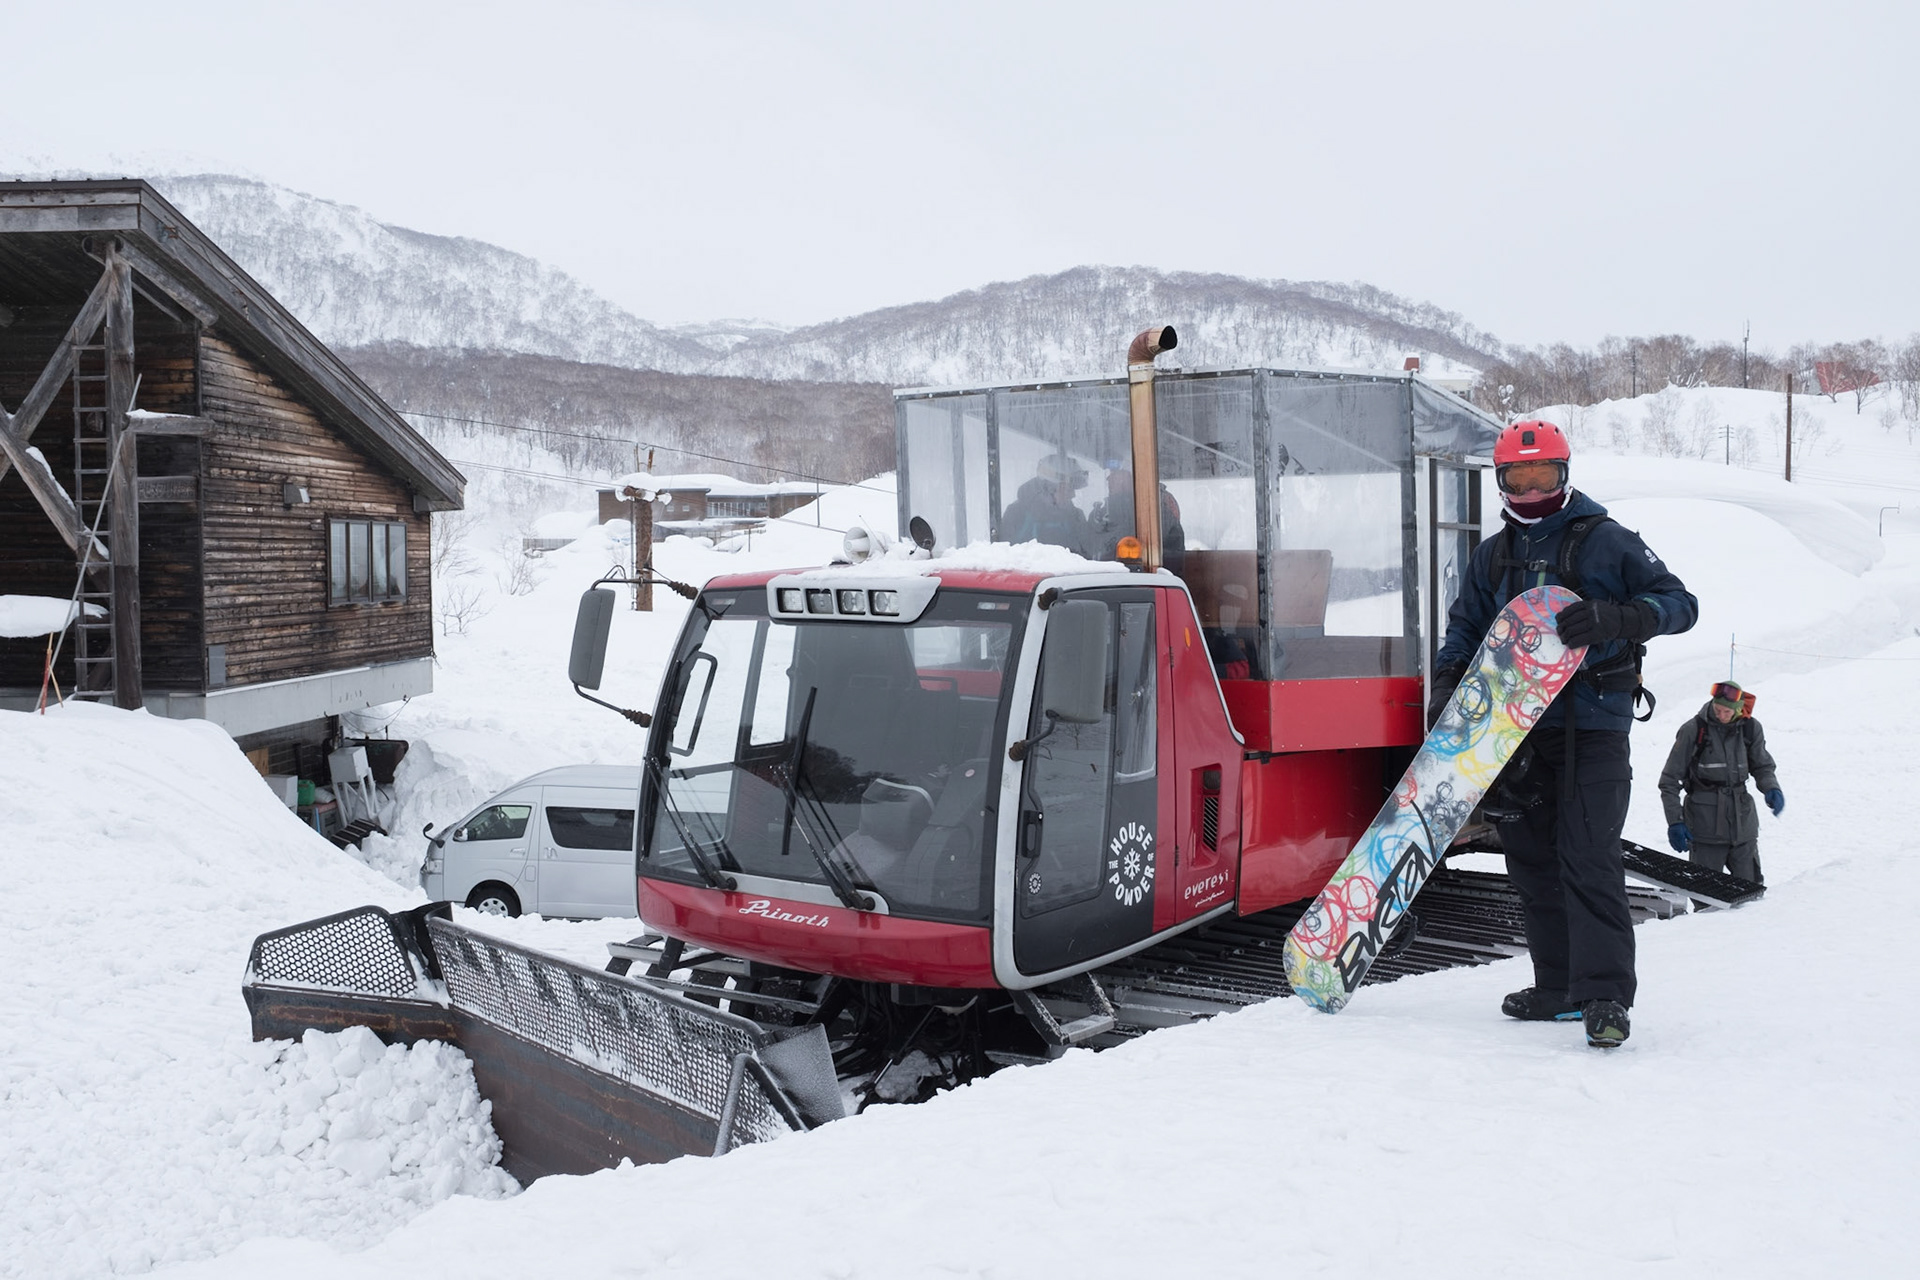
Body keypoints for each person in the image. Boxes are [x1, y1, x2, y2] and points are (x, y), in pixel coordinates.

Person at [1430, 420, 1698, 1049]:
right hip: (1511, 730)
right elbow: (1465, 628)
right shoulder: (1491, 554)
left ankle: (1603, 998)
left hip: (1593, 727)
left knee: (1589, 857)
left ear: (1565, 474)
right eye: (1516, 481)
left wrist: (1620, 616)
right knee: (1531, 862)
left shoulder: (1608, 541)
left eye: (1541, 478)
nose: (1529, 492)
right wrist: (1448, 686)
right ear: (1499, 482)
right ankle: (1556, 988)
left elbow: (1680, 604)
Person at [1657, 681, 1782, 885]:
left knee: (1751, 895)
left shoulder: (1750, 728)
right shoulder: (1693, 730)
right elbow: (1669, 780)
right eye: (1718, 709)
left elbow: (1762, 766)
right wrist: (1675, 821)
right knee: (1706, 899)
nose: (1721, 715)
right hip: (1705, 830)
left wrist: (1771, 787)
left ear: (1738, 710)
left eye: (1726, 712)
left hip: (1743, 828)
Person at [1087, 464, 1187, 575]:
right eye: (1110, 476)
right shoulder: (1105, 510)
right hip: (1107, 573)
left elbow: (1169, 542)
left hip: (1153, 573)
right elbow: (1092, 540)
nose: (1109, 480)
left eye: (1115, 475)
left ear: (1129, 479)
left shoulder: (1155, 506)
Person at [1000, 452, 1092, 555]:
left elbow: (1088, 556)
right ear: (1049, 488)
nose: (1073, 495)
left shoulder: (1076, 517)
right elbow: (1003, 558)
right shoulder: (1016, 515)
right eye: (1068, 488)